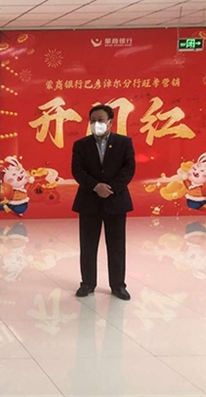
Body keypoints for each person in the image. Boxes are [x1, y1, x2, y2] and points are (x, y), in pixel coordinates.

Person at [71, 104, 135, 301]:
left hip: (116, 200)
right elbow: (77, 170)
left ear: (110, 122)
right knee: (88, 245)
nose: (96, 124)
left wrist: (110, 188)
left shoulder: (124, 142)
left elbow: (129, 169)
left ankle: (118, 285)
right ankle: (87, 283)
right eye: (92, 121)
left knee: (116, 246)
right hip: (89, 201)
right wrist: (95, 186)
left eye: (100, 120)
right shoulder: (81, 145)